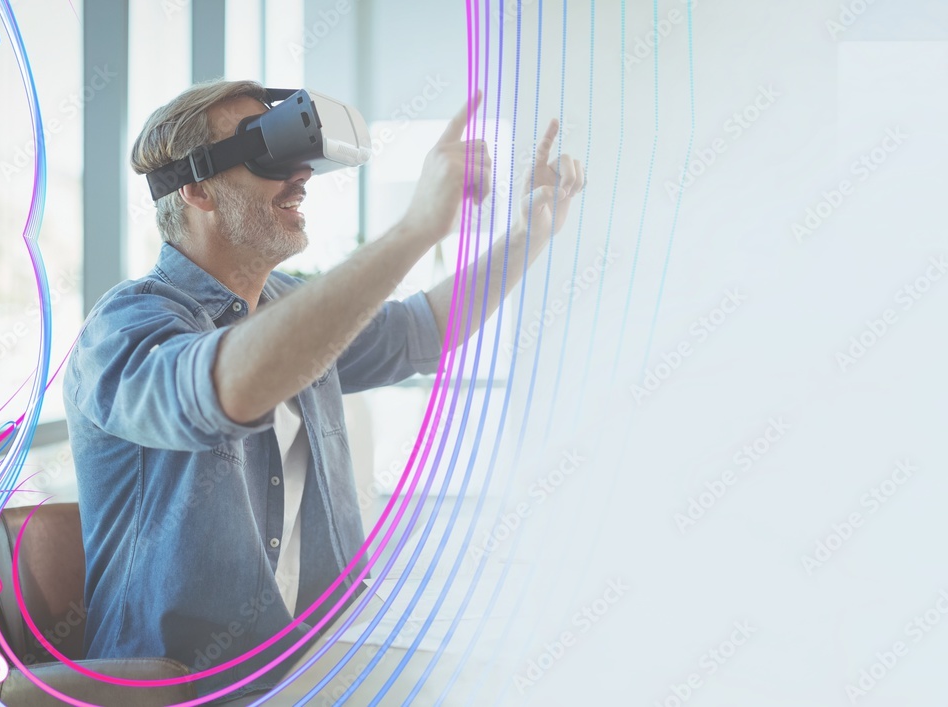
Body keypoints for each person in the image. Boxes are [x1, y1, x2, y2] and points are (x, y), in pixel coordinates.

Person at [62, 79, 584, 702]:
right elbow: (223, 390)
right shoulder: (125, 327)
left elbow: (419, 331)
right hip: (189, 686)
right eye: (267, 152)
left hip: (319, 659)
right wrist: (415, 230)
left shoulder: (291, 303)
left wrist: (529, 235)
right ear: (196, 188)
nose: (301, 175)